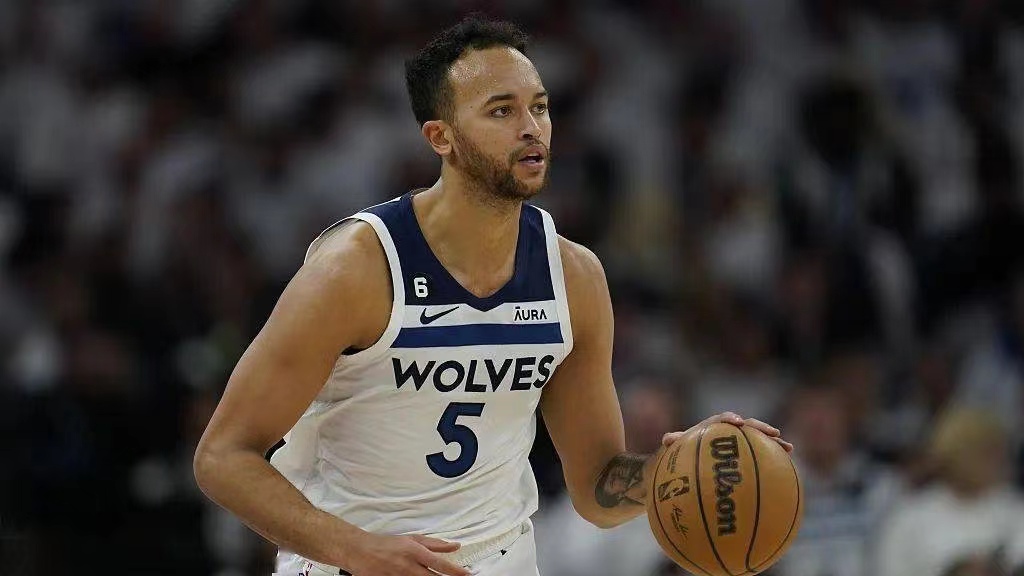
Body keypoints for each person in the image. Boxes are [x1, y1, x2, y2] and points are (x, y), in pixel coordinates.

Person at [193, 15, 791, 576]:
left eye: (540, 107)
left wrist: (676, 470)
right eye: (501, 110)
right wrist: (355, 548)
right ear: (441, 137)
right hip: (350, 561)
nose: (531, 127)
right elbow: (222, 457)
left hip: (502, 557)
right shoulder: (356, 269)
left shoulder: (574, 277)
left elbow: (596, 487)